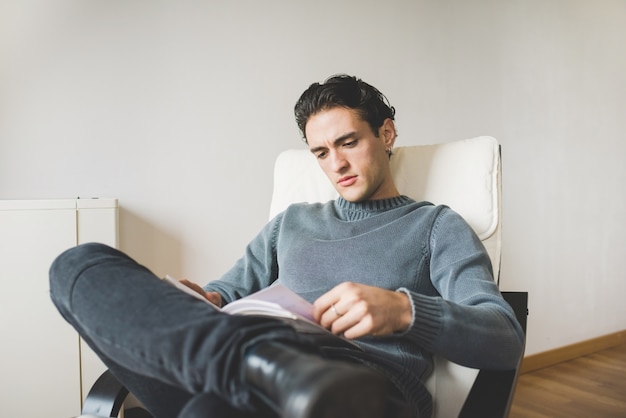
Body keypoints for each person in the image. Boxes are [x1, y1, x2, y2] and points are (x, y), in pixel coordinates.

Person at [50, 74, 524, 418]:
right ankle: (265, 366)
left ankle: (272, 372)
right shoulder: (292, 222)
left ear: (386, 133)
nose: (336, 163)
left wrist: (403, 310)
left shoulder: (435, 226)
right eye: (320, 152)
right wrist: (205, 300)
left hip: (358, 391)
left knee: (208, 413)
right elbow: (226, 292)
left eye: (348, 142)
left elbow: (503, 337)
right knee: (77, 265)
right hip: (244, 371)